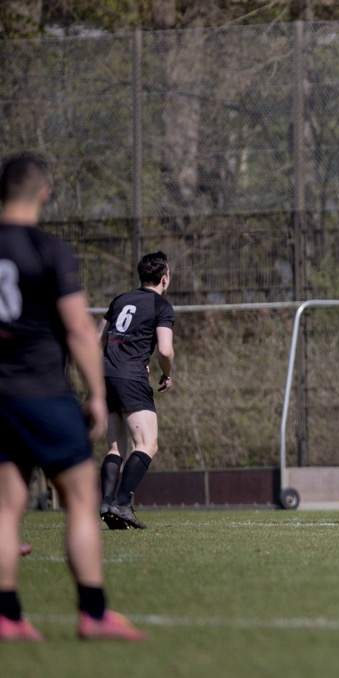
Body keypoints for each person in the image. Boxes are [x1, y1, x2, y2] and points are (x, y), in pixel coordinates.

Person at [0, 154, 146, 642]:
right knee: (82, 500)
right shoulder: (49, 250)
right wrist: (98, 394)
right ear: (43, 194)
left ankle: (7, 617)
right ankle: (95, 613)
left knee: (6, 507)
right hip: (44, 391)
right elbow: (81, 330)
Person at [97, 251, 175, 531]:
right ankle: (121, 502)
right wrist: (166, 374)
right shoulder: (161, 306)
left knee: (115, 446)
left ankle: (106, 502)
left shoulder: (120, 300)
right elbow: (165, 350)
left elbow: (99, 338)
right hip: (131, 377)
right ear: (164, 278)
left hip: (105, 374)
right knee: (147, 444)